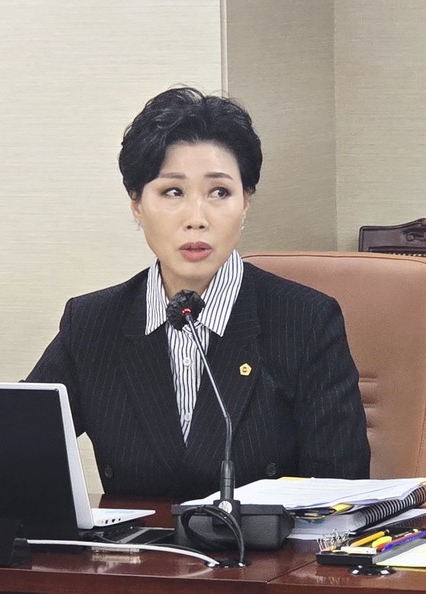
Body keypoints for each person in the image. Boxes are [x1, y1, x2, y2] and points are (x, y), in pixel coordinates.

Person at [27, 87, 369, 499]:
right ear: (137, 204)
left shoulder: (307, 321)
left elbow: (340, 496)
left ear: (246, 202)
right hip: (142, 543)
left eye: (219, 192)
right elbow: (15, 447)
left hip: (266, 543)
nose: (196, 218)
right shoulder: (92, 323)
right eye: (172, 192)